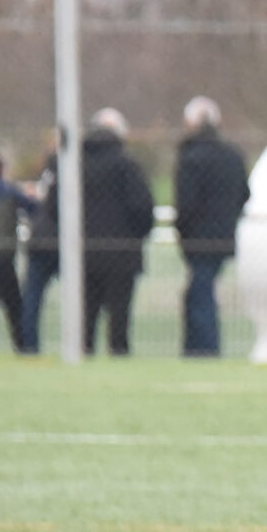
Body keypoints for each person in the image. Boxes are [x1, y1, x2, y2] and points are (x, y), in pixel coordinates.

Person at [173, 97, 250, 357]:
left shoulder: (191, 158)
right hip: (224, 237)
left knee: (200, 295)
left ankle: (205, 349)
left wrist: (183, 231)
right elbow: (244, 194)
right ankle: (197, 348)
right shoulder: (233, 156)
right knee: (201, 292)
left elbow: (186, 204)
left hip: (198, 240)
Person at [79, 109, 156, 357]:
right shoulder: (128, 166)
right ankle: (118, 356)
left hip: (84, 251)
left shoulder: (76, 166)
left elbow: (55, 207)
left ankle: (83, 355)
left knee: (86, 314)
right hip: (122, 253)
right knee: (119, 316)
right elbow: (142, 208)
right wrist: (136, 236)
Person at [0, 153, 33, 352]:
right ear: (1, 169)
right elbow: (32, 207)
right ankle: (22, 347)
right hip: (3, 257)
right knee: (14, 306)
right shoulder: (8, 190)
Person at [17, 146, 57, 354]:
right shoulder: (72, 178)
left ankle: (29, 345)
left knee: (32, 297)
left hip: (40, 241)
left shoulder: (47, 179)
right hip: (58, 241)